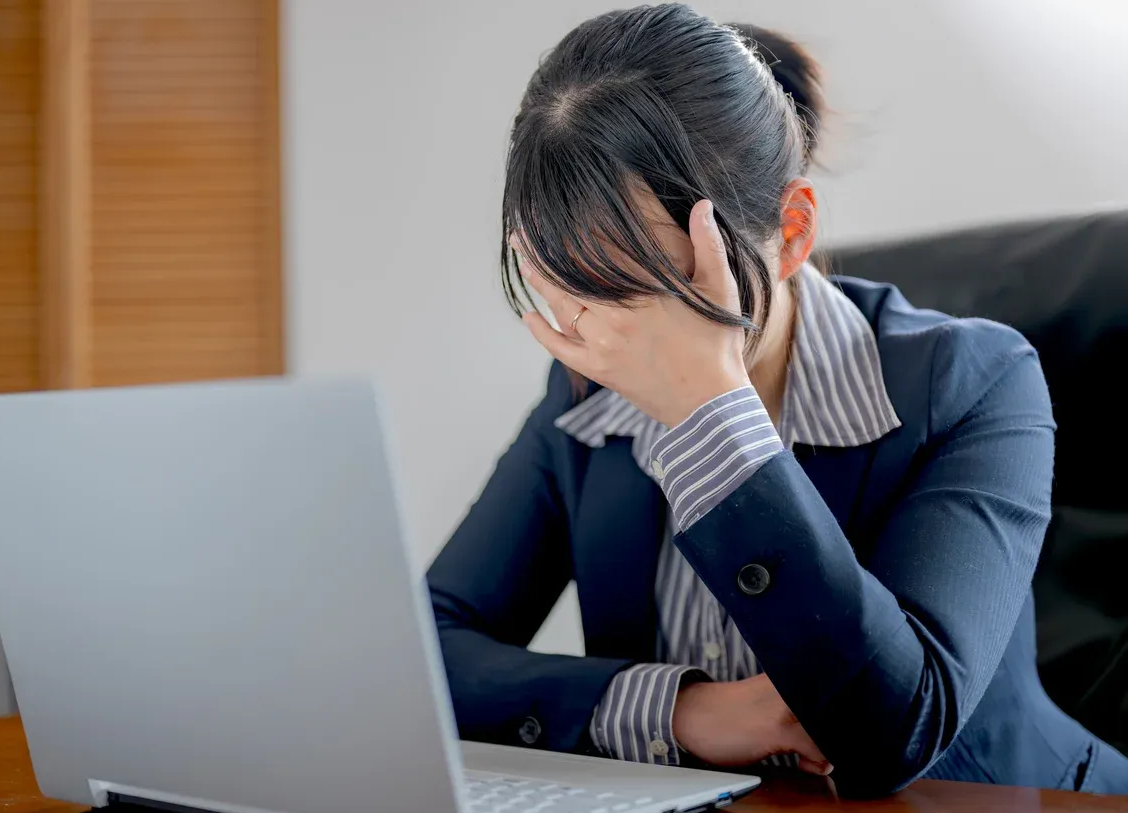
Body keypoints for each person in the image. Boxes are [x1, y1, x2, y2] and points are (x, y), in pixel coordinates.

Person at [425, 4, 1128, 798]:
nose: (615, 334)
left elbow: (901, 726)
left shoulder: (978, 382)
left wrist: (712, 416)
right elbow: (424, 651)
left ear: (790, 233)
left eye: (648, 285)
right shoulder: (589, 389)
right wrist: (683, 712)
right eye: (578, 284)